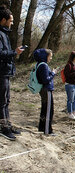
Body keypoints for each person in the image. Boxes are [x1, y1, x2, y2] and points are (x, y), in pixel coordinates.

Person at [0, 6, 24, 140]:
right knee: (2, 101)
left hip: (6, 72)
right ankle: (3, 128)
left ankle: (7, 125)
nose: (12, 23)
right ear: (3, 20)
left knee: (6, 100)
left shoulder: (4, 34)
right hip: (1, 72)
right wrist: (14, 52)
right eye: (11, 20)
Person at [34, 48, 57, 135]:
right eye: (50, 56)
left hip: (43, 90)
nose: (51, 58)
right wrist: (53, 73)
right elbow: (46, 80)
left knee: (44, 109)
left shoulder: (39, 64)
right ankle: (47, 130)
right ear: (45, 56)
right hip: (46, 90)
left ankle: (42, 127)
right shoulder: (43, 65)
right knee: (48, 111)